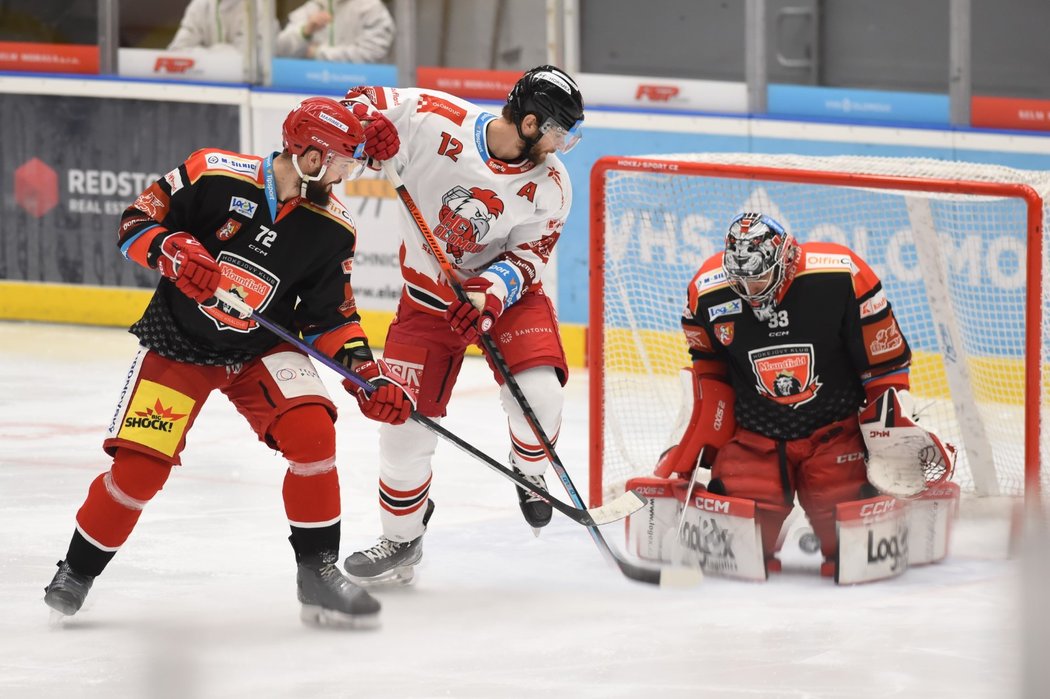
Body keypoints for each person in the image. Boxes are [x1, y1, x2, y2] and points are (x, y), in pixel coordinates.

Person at [42, 97, 414, 628]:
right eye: (341, 163)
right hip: (181, 343)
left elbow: (332, 319)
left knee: (313, 436)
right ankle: (77, 570)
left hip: (263, 350)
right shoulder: (212, 173)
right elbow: (133, 223)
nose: (347, 175)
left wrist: (366, 375)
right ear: (310, 157)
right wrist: (168, 248)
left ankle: (317, 571)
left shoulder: (333, 228)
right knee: (139, 472)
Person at [336, 65, 585, 586]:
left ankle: (531, 470)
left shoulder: (553, 183)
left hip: (509, 301)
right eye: (560, 131)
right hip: (426, 305)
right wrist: (365, 128)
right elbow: (361, 100)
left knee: (539, 397)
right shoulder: (433, 117)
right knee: (401, 432)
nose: (563, 144)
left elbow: (530, 254)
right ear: (532, 122)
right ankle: (403, 539)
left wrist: (488, 293)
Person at [655, 212, 951, 577]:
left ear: (784, 261)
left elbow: (884, 364)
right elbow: (709, 369)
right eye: (741, 281)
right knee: (734, 551)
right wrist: (692, 442)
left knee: (852, 549)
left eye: (759, 277)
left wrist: (891, 429)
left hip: (835, 434)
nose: (750, 291)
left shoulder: (842, 276)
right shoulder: (706, 290)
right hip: (755, 437)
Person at [276, 0, 394, 63]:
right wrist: (305, 31)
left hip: (361, 94)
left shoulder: (372, 7)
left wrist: (317, 53)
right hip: (313, 90)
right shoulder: (313, 6)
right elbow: (279, 50)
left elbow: (371, 54)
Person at [168, 0, 279, 54]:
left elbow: (245, 62)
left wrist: (200, 56)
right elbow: (176, 51)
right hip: (203, 89)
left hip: (247, 93)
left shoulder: (259, 7)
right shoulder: (200, 5)